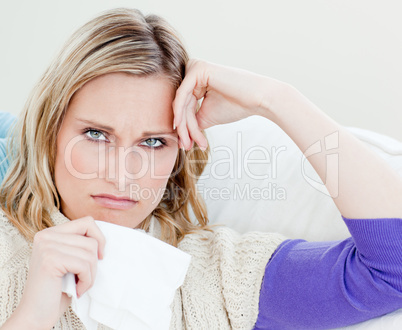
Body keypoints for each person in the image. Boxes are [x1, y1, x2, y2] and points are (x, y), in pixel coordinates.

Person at [1, 7, 402, 330]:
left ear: (179, 153)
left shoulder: (219, 279)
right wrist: (31, 320)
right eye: (95, 134)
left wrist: (276, 99)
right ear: (49, 129)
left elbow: (392, 269)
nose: (123, 175)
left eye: (153, 142)